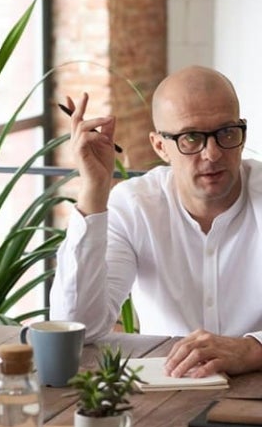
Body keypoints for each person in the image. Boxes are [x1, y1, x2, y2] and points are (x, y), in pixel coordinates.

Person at [49, 65, 262, 379]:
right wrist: (94, 191)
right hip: (166, 395)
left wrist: (252, 349)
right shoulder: (135, 206)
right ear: (160, 146)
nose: (213, 154)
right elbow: (77, 329)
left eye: (226, 132)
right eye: (191, 138)